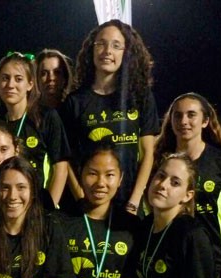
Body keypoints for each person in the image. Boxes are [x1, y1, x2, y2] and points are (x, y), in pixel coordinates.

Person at [60, 19, 159, 214]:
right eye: (101, 44)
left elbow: (148, 154)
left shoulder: (140, 97)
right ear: (92, 50)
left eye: (116, 46)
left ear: (126, 52)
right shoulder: (75, 101)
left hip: (129, 205)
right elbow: (66, 158)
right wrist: (81, 197)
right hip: (88, 206)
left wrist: (134, 202)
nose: (107, 51)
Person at [154, 93, 221, 278]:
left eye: (191, 115)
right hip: (167, 250)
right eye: (177, 116)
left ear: (205, 121)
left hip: (212, 254)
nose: (183, 121)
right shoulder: (160, 158)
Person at [61, 142, 140, 278]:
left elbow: (139, 270)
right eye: (92, 173)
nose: (100, 182)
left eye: (109, 175)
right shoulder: (59, 222)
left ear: (120, 179)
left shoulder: (132, 226)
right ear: (80, 174)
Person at [0, 52, 70, 207]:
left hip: (39, 208)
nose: (10, 85)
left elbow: (61, 168)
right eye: (5, 78)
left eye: (18, 79)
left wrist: (48, 210)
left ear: (30, 84)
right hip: (9, 208)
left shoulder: (47, 117)